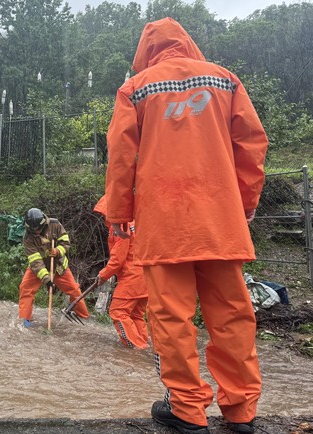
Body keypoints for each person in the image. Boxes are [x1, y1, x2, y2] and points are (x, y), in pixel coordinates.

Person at [105, 18, 268, 434]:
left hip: (164, 223)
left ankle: (187, 411)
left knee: (171, 319)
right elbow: (251, 145)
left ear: (146, 51)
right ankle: (242, 412)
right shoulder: (226, 81)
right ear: (188, 43)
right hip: (221, 221)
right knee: (232, 314)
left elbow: (122, 158)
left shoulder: (136, 88)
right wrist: (245, 205)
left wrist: (119, 215)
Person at [93, 195, 149, 349]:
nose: (104, 217)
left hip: (132, 278)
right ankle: (143, 345)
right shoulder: (134, 223)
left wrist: (103, 275)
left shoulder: (120, 227)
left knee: (118, 311)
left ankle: (136, 349)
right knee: (136, 315)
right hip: (146, 278)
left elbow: (118, 259)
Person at [18, 207, 89, 327]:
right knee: (25, 289)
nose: (36, 232)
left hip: (58, 266)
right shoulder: (28, 238)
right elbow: (35, 261)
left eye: (38, 229)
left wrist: (57, 251)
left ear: (42, 224)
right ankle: (24, 320)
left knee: (74, 290)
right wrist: (46, 279)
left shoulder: (55, 225)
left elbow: (66, 243)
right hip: (38, 268)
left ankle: (84, 317)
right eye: (33, 229)